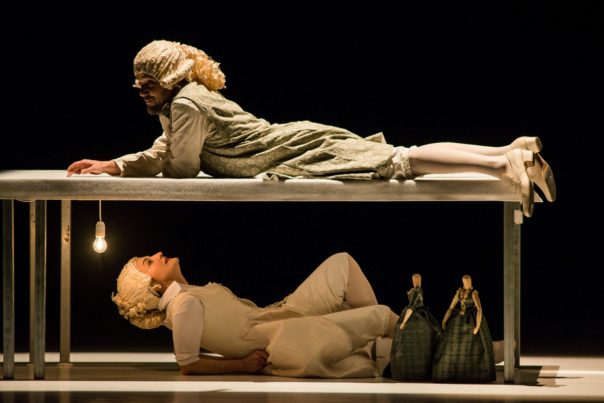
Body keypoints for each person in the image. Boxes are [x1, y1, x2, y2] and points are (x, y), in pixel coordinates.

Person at [67, 40, 555, 217]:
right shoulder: (186, 101)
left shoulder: (188, 105)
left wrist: (132, 165)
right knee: (400, 157)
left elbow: (181, 167)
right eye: (138, 86)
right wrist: (116, 165)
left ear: (169, 78)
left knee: (400, 161)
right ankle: (509, 150)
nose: (142, 92)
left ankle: (503, 164)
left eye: (148, 84)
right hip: (291, 145)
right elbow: (167, 148)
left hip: (292, 152)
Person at [111, 251, 397, 378]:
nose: (158, 253)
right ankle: (396, 341)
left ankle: (384, 344)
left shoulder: (187, 296)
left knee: (341, 264)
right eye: (149, 262)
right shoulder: (183, 304)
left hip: (276, 315)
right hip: (275, 333)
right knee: (378, 316)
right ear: (154, 287)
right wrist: (242, 364)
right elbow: (188, 363)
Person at [431, 275, 496, 383]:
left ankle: (471, 373)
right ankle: (453, 372)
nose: (467, 284)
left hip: (472, 320)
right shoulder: (460, 293)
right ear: (462, 282)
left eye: (468, 282)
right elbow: (451, 307)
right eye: (465, 282)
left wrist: (477, 326)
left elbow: (479, 309)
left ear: (471, 282)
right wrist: (444, 320)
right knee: (453, 345)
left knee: (474, 347)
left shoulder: (474, 294)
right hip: (459, 320)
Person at [390, 273, 441, 381]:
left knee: (424, 338)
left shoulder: (417, 291)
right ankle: (411, 370)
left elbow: (411, 307)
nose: (417, 281)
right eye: (415, 280)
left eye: (417, 280)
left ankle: (417, 371)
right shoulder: (417, 290)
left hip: (416, 316)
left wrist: (403, 322)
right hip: (419, 315)